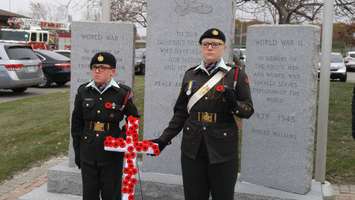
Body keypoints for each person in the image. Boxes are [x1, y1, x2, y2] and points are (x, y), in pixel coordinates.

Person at [152, 28, 254, 200]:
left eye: (216, 44)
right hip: (193, 149)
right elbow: (181, 113)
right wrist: (164, 138)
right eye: (206, 44)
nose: (210, 48)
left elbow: (248, 110)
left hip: (222, 150)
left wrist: (234, 104)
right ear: (201, 47)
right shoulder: (190, 75)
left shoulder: (236, 75)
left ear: (224, 48)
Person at [71, 52, 139, 200]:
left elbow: (133, 118)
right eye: (94, 67)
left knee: (111, 193)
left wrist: (122, 138)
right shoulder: (83, 91)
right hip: (88, 149)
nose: (97, 70)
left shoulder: (122, 93)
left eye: (102, 67)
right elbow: (76, 123)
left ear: (112, 72)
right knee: (89, 194)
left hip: (112, 152)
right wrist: (78, 151)